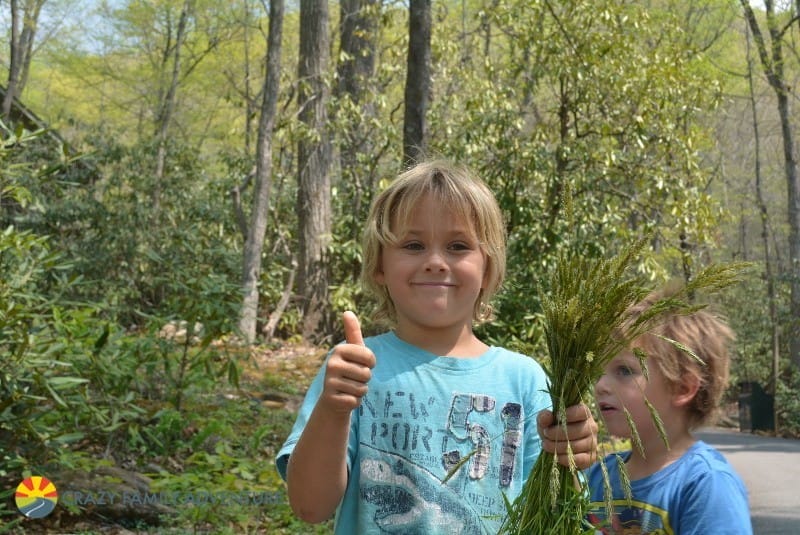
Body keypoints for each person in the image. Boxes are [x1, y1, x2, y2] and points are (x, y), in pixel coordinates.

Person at [275, 159, 597, 534]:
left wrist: (570, 457)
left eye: (458, 246)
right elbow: (310, 506)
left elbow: (562, 516)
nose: (435, 262)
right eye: (413, 245)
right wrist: (333, 408)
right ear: (380, 265)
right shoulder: (356, 369)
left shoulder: (524, 381)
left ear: (488, 268)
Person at [585, 285, 752, 534]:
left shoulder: (706, 484)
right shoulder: (599, 477)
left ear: (682, 388)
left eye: (625, 371)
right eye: (600, 372)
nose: (600, 386)